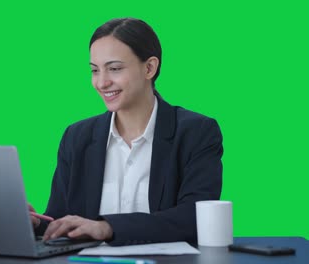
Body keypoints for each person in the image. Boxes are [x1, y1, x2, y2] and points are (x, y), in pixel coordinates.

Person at [30, 17, 223, 246]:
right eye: (95, 70)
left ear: (149, 67)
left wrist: (107, 227)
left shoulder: (196, 132)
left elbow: (194, 217)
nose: (101, 83)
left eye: (114, 69)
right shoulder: (76, 137)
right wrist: (35, 223)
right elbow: (61, 220)